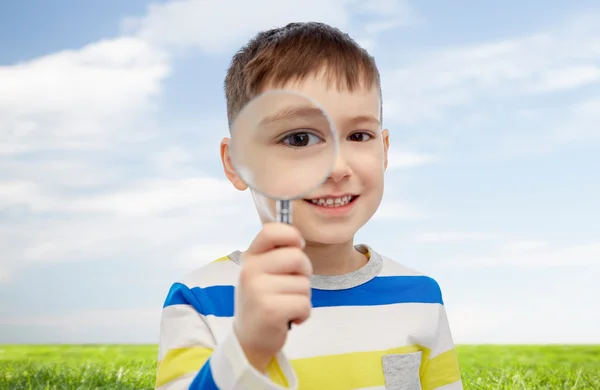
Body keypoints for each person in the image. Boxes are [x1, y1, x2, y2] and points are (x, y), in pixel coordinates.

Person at [155, 22, 462, 390]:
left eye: (358, 135)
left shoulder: (421, 294)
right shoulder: (200, 299)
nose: (337, 167)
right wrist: (247, 348)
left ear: (384, 151)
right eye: (299, 138)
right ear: (235, 163)